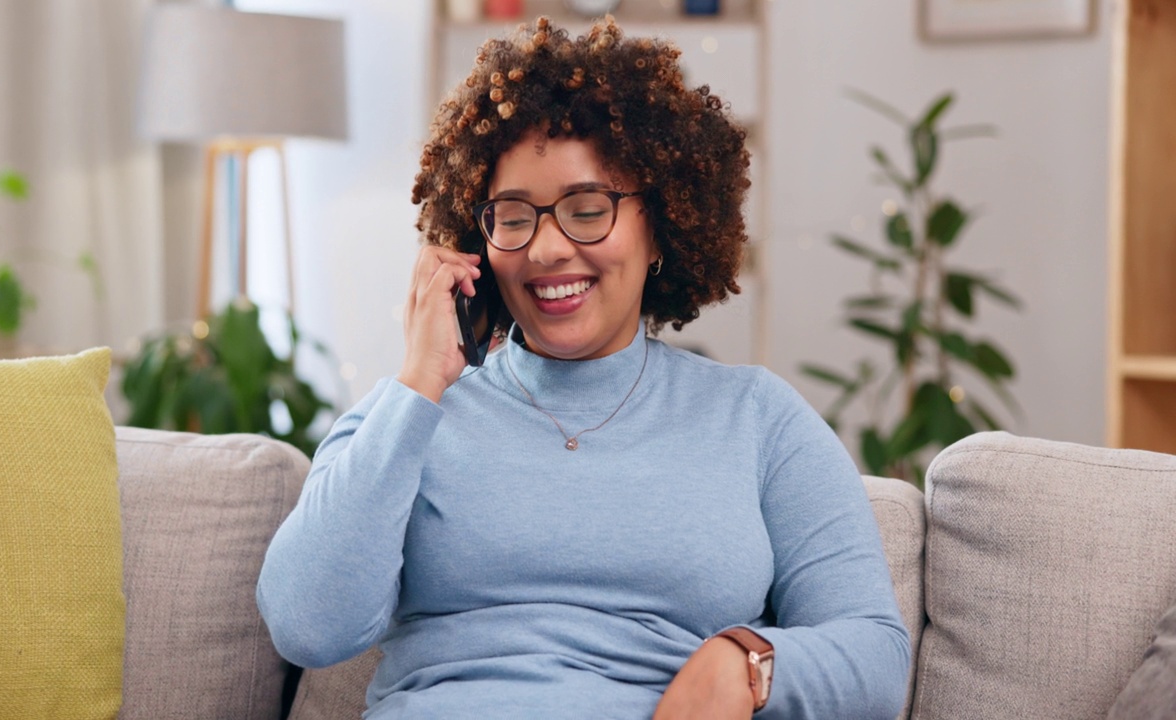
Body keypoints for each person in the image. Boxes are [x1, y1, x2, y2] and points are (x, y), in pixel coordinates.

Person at [257, 16, 910, 719]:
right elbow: (307, 626)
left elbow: (875, 656)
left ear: (659, 225)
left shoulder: (754, 416)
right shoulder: (407, 417)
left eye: (587, 210)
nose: (545, 250)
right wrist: (419, 382)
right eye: (513, 217)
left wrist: (743, 667)